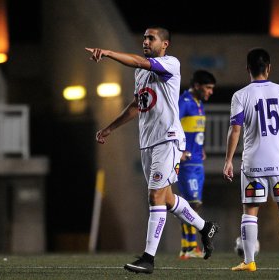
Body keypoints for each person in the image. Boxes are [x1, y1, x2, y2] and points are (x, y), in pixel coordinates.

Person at [86, 26, 219, 274]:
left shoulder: (171, 63)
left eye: (151, 38)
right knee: (167, 199)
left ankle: (148, 259)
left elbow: (138, 61)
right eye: (144, 37)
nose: (145, 41)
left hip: (168, 140)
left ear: (164, 44)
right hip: (148, 142)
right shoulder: (141, 72)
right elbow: (138, 105)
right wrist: (109, 128)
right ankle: (205, 227)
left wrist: (107, 53)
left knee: (154, 197)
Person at [223, 48, 279, 272]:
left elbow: (235, 130)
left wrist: (228, 160)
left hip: (253, 164)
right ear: (269, 68)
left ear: (248, 69)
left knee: (250, 211)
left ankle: (248, 261)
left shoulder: (241, 95)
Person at [177, 70, 216, 259]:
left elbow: (194, 131)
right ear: (198, 86)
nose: (210, 92)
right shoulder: (184, 102)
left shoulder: (199, 104)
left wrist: (201, 147)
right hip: (186, 164)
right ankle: (189, 247)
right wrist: (180, 150)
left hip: (197, 162)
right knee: (192, 204)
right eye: (208, 88)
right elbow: (172, 125)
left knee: (195, 205)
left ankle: (188, 248)